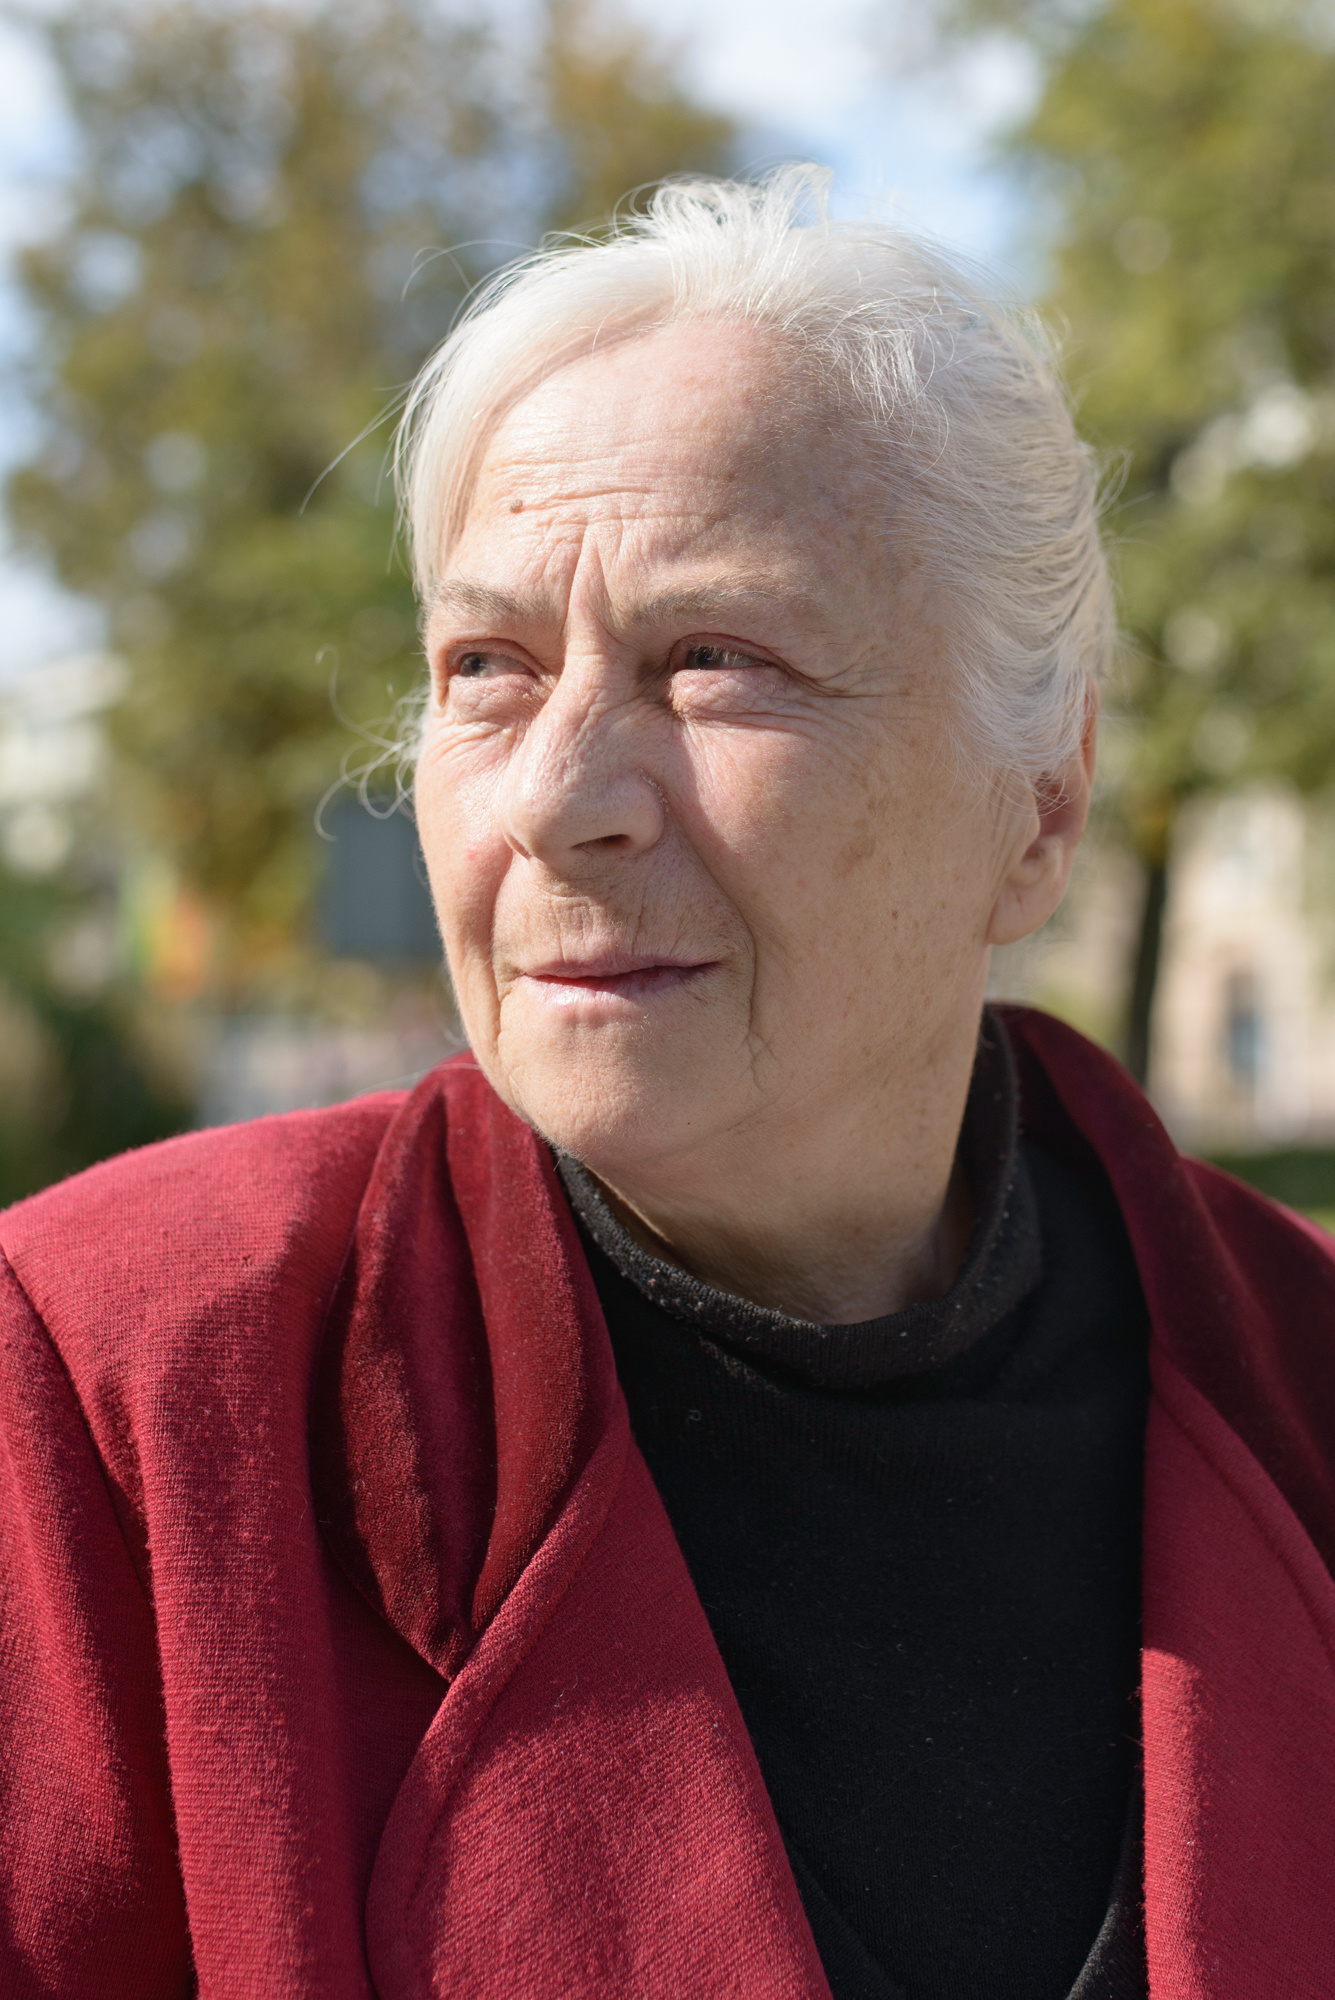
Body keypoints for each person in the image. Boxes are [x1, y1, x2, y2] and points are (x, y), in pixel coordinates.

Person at [2, 167, 1333, 2000]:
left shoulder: (1308, 1390)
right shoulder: (122, 1384)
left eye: (715, 661)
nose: (559, 795)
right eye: (487, 668)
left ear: (1040, 803)